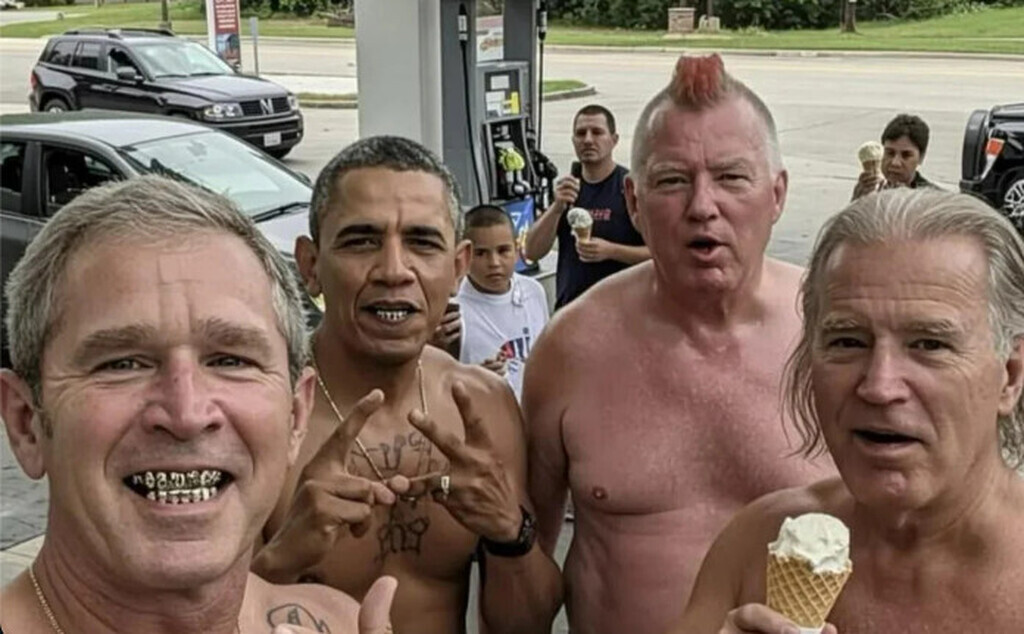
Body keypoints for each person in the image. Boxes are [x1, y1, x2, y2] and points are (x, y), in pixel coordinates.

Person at [0, 176, 396, 634]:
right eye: (122, 364)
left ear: (296, 416)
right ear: (25, 424)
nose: (187, 414)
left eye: (231, 360)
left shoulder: (342, 623)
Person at [523, 54, 831, 634]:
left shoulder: (835, 338)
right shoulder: (571, 348)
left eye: (731, 177)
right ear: (634, 202)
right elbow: (526, 568)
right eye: (672, 180)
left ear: (777, 194)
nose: (702, 207)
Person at [673, 187, 1024, 633]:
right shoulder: (757, 545)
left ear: (1010, 374)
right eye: (848, 341)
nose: (879, 386)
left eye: (930, 344)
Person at [253, 136, 563, 634]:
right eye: (361, 241)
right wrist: (280, 561)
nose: (394, 271)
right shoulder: (260, 413)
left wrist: (510, 531)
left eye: (422, 242)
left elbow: (525, 626)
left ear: (457, 267)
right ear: (311, 266)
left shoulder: (483, 405)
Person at [523, 104, 649, 309]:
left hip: (622, 313)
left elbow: (659, 255)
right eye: (581, 133)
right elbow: (531, 252)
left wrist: (612, 251)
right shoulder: (568, 189)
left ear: (614, 140)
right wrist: (556, 208)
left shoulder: (630, 188)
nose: (588, 140)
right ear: (573, 140)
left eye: (597, 132)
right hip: (571, 310)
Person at [451, 204, 550, 401]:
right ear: (465, 255)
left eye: (503, 250)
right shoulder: (454, 308)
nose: (494, 263)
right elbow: (440, 380)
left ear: (517, 249)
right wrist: (475, 379)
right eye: (481, 253)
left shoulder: (533, 292)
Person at [851, 113, 938, 200]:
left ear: (921, 157)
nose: (895, 163)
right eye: (890, 153)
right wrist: (857, 202)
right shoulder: (868, 191)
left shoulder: (933, 199)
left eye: (906, 155)